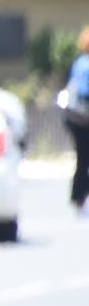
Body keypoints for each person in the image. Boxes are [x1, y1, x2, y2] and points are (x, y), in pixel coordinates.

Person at [66, 26, 89, 213]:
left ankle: (77, 196)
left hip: (75, 118)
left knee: (82, 159)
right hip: (85, 117)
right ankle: (80, 194)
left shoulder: (79, 63)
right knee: (84, 159)